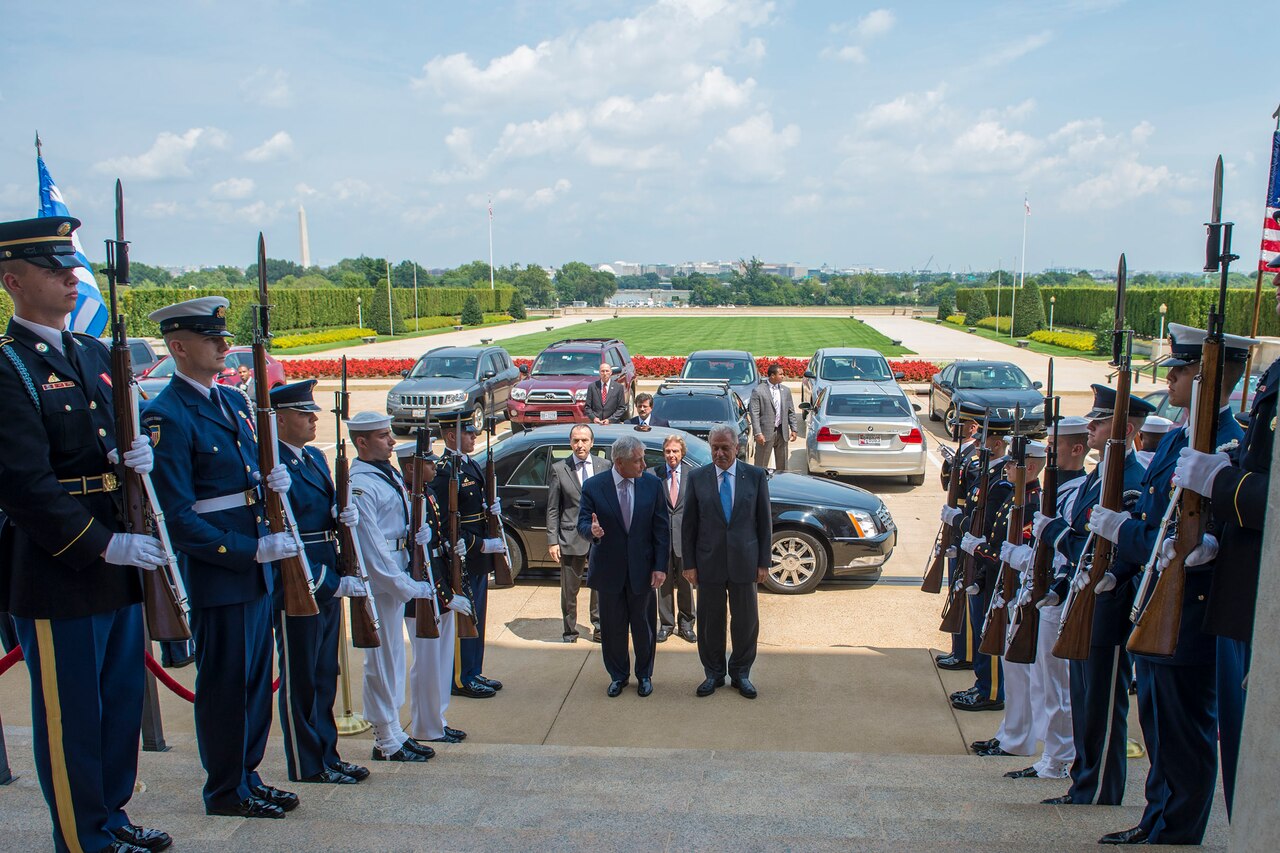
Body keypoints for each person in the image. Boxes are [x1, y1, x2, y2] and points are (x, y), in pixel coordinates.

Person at [0, 215, 171, 852]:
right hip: (60, 568)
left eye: (71, 267)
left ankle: (114, 820)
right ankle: (84, 839)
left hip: (119, 560)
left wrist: (143, 447)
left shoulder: (95, 354)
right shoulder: (10, 367)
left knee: (119, 706)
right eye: (54, 269)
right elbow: (23, 483)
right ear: (14, 281)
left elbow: (132, 427)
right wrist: (102, 544)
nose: (72, 278)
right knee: (74, 716)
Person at [1090, 325, 1251, 845]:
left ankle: (1178, 830)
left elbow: (1225, 525)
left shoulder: (1234, 442)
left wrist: (1130, 534)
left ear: (1206, 378)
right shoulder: (1178, 437)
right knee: (1158, 724)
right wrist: (1131, 535)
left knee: (1185, 729)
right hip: (1160, 596)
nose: (1172, 379)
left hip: (1191, 607)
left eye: (1180, 372)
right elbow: (1161, 516)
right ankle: (1157, 817)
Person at [145, 295, 299, 819]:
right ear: (179, 347)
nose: (223, 346)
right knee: (226, 685)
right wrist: (250, 549)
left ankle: (248, 774)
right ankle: (224, 788)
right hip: (222, 570)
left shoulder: (231, 403)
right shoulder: (165, 413)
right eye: (212, 340)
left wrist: (266, 480)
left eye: (223, 337)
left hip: (255, 568)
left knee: (256, 679)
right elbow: (179, 516)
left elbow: (240, 476)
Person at [1175, 281, 1277, 817]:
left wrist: (1223, 483)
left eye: (1184, 369)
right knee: (1238, 739)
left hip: (1250, 594)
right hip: (1243, 596)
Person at [1034, 384, 1153, 811]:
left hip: (1111, 604)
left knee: (1102, 703)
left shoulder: (1133, 480)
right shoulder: (1096, 477)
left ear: (1127, 428)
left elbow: (1111, 549)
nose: (1091, 426)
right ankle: (1083, 782)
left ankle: (1100, 788)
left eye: (1101, 421)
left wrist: (1054, 533)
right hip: (1084, 600)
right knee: (1085, 699)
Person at [269, 380, 369, 785]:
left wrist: (338, 515)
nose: (314, 419)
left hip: (327, 575)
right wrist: (328, 581)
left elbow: (319, 517)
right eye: (303, 413)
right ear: (278, 420)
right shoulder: (273, 463)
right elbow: (286, 530)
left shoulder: (311, 457)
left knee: (326, 673)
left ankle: (328, 753)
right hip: (302, 583)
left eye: (313, 412)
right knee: (302, 678)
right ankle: (307, 762)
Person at [993, 416, 1089, 778]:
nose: (1049, 450)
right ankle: (1049, 754)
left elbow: (1065, 553)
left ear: (1076, 449)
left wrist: (1021, 558)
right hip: (1038, 594)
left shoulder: (1077, 489)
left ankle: (1059, 759)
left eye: (1055, 445)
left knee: (1055, 686)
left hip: (1057, 598)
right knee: (1040, 682)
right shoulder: (1061, 488)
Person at [345, 412, 438, 763]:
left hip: (398, 572)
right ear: (362, 442)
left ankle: (395, 730)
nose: (391, 441)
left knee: (395, 657)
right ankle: (385, 737)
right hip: (381, 582)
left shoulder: (386, 474)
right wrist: (406, 585)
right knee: (381, 660)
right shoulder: (361, 484)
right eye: (383, 436)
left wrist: (420, 534)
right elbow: (371, 547)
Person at [955, 430, 1043, 714]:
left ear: (1029, 467)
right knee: (985, 631)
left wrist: (978, 550)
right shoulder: (1015, 498)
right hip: (994, 580)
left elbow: (1011, 555)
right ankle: (985, 685)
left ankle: (991, 692)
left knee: (993, 635)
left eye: (1011, 463)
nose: (1005, 467)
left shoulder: (1030, 504)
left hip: (1008, 586)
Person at [682, 424, 772, 699]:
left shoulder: (755, 476)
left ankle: (741, 673)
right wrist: (689, 564)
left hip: (745, 562)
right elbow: (689, 526)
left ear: (737, 447)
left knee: (745, 621)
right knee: (710, 622)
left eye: (725, 448)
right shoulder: (698, 477)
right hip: (708, 563)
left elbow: (763, 522)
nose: (719, 453)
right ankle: (714, 673)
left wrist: (763, 562)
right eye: (715, 448)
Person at [576, 435, 668, 697]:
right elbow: (582, 523)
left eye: (643, 459)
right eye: (637, 460)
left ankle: (644, 675)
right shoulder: (594, 486)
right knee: (613, 629)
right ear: (619, 462)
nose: (643, 464)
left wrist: (660, 566)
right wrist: (592, 531)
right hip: (609, 571)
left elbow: (661, 529)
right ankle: (618, 676)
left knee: (644, 627)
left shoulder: (652, 484)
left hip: (643, 571)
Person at [432, 415, 506, 699]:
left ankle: (474, 669)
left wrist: (491, 509)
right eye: (469, 433)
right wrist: (482, 545)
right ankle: (460, 678)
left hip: (476, 558)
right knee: (464, 616)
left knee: (478, 615)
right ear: (451, 437)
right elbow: (446, 525)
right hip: (463, 557)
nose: (474, 437)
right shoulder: (443, 473)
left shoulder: (470, 465)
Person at [404, 440, 471, 746]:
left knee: (440, 662)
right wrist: (444, 595)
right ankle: (425, 726)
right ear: (412, 468)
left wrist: (450, 548)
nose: (435, 466)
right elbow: (416, 557)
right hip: (422, 593)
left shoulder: (428, 494)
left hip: (437, 588)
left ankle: (437, 721)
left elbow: (435, 544)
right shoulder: (407, 498)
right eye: (429, 463)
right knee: (428, 663)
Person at [949, 415, 1012, 712]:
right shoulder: (987, 473)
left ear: (996, 444)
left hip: (988, 560)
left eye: (983, 441)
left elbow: (985, 525)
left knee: (987, 625)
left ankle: (991, 690)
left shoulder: (1001, 481)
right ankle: (982, 684)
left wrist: (958, 522)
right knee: (978, 620)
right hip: (977, 556)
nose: (978, 446)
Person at [546, 424, 607, 643]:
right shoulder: (559, 469)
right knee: (570, 590)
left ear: (592, 442)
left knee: (599, 586)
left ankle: (599, 627)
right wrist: (553, 541)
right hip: (571, 537)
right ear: (570, 443)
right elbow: (553, 508)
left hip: (599, 537)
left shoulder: (604, 466)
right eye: (575, 440)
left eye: (584, 440)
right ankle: (570, 630)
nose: (580, 445)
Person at [936, 415, 982, 670]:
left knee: (962, 588)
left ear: (973, 427)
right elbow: (948, 484)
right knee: (956, 587)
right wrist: (950, 463)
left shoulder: (975, 457)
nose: (954, 428)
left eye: (960, 424)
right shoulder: (964, 453)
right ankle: (960, 648)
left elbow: (971, 492)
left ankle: (965, 653)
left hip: (963, 529)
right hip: (956, 526)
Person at [651, 433, 696, 643]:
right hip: (662, 541)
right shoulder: (654, 475)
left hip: (686, 541)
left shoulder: (693, 475)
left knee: (686, 585)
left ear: (682, 453)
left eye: (675, 451)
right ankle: (666, 624)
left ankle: (687, 624)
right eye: (668, 451)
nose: (671, 455)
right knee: (664, 585)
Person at [748, 363, 798, 472]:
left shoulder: (786, 391)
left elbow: (791, 411)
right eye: (780, 374)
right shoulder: (758, 391)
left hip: (782, 432)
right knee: (761, 465)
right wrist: (758, 433)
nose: (783, 376)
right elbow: (754, 413)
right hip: (765, 434)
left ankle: (781, 485)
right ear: (772, 376)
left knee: (783, 467)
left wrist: (794, 429)